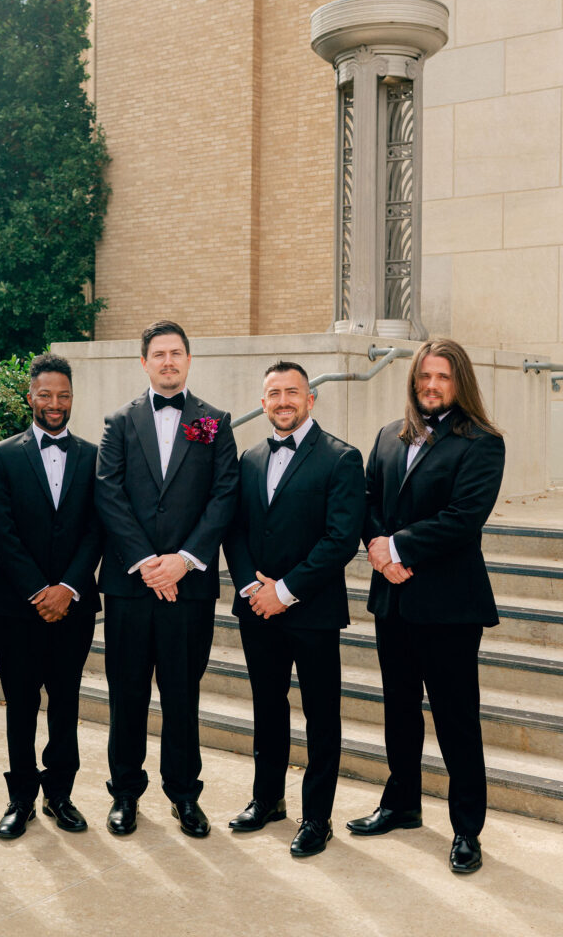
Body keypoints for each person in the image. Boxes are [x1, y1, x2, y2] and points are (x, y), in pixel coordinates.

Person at [346, 338, 505, 875]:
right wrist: (376, 548)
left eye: (440, 377)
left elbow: (463, 519)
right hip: (393, 600)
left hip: (450, 607)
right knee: (399, 711)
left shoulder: (483, 442)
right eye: (422, 378)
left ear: (459, 381)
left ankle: (466, 829)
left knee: (457, 720)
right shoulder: (389, 436)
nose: (429, 386)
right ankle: (401, 802)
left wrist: (397, 547)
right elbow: (365, 501)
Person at [95, 320, 238, 837]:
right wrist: (147, 562)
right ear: (144, 363)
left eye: (177, 353)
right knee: (126, 693)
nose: (169, 361)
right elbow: (108, 492)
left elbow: (225, 496)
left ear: (189, 360)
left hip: (190, 586)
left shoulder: (214, 422)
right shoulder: (118, 422)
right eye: (159, 354)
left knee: (182, 694)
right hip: (130, 586)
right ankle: (125, 795)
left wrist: (184, 559)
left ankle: (184, 795)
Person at [224, 361, 365, 857]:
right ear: (262, 403)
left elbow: (341, 537)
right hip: (256, 610)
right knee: (267, 708)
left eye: (293, 392)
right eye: (273, 393)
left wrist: (284, 590)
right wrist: (248, 587)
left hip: (312, 610)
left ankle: (317, 818)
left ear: (311, 400)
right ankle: (267, 800)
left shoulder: (341, 458)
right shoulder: (249, 459)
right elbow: (235, 529)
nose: (283, 401)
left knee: (321, 715)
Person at [0, 353, 101, 839]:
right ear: (30, 397)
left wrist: (68, 588)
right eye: (46, 395)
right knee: (20, 702)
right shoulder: (1, 455)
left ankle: (60, 794)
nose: (55, 404)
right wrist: (38, 590)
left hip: (74, 604)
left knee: (66, 700)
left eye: (64, 395)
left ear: (72, 399)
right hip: (17, 605)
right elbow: (0, 529)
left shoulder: (94, 456)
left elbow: (98, 528)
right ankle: (21, 798)